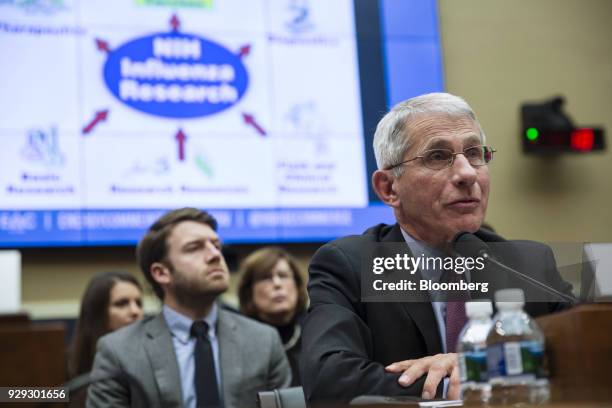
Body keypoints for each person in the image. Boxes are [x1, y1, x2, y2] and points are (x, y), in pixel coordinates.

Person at [300, 93, 574, 406]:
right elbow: (328, 380)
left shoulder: (529, 264)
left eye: (474, 153)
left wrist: (476, 367)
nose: (467, 173)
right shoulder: (350, 264)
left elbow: (591, 354)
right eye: (438, 157)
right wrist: (452, 383)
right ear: (389, 188)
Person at [87, 208, 291, 408]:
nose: (215, 255)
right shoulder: (118, 352)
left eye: (216, 246)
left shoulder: (264, 341)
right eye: (195, 248)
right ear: (161, 273)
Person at [67, 271, 144, 406]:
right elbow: (21, 395)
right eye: (122, 303)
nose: (135, 311)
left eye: (138, 303)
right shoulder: (63, 366)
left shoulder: (151, 360)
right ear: (98, 314)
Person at [238, 247, 308, 386]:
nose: (277, 284)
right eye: (266, 278)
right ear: (249, 291)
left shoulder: (318, 334)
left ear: (297, 285)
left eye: (283, 276)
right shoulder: (236, 342)